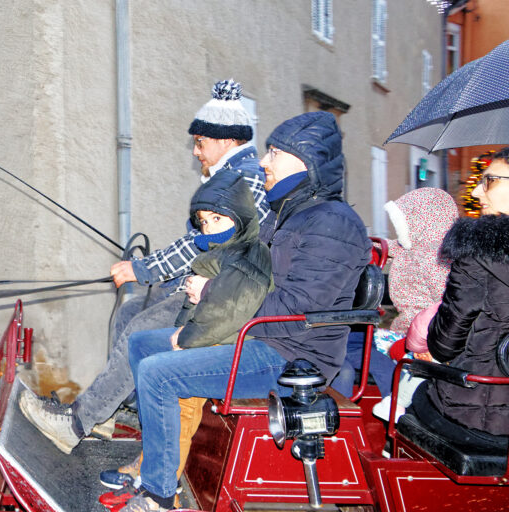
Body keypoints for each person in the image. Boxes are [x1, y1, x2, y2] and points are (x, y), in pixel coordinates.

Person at [117, 112, 371, 511]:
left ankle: (158, 496)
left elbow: (295, 308)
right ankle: (157, 461)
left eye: (274, 153)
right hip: (259, 335)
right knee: (142, 345)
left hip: (291, 358)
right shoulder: (289, 214)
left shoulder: (332, 225)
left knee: (157, 373)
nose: (264, 163)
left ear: (305, 161)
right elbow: (246, 273)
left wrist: (212, 296)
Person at [19, 79, 269, 455]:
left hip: (225, 295)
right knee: (131, 309)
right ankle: (111, 413)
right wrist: (148, 271)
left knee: (140, 327)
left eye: (200, 143)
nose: (196, 152)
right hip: (207, 281)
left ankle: (77, 424)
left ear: (226, 141)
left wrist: (145, 270)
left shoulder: (243, 178)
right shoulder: (230, 174)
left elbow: (204, 244)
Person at [333, 187, 459, 422]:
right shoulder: (412, 247)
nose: (401, 228)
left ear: (421, 221)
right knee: (354, 340)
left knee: (359, 345)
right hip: (405, 326)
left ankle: (395, 405)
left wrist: (429, 344)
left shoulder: (439, 261)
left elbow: (448, 307)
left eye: (405, 221)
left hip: (425, 336)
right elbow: (386, 246)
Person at [410, 147, 509, 439]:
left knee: (412, 392)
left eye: (489, 181)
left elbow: (443, 346)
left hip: (478, 413)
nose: (478, 192)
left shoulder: (478, 251)